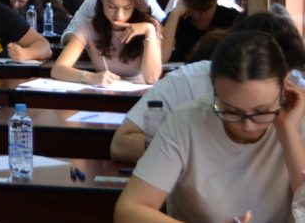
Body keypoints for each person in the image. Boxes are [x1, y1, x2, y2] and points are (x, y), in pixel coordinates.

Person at [114, 30, 305, 223]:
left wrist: (288, 133)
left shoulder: (297, 121)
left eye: (262, 111)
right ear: (214, 92)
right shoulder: (186, 122)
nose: (248, 126)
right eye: (231, 111)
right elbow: (128, 211)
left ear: (284, 88)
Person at [111, 7, 305, 163]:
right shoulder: (186, 82)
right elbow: (121, 144)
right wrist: (192, 151)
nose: (248, 125)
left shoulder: (296, 93)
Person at [51, 0, 161, 85]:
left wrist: (149, 30)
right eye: (112, 6)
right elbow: (57, 70)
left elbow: (151, 78)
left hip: (140, 94)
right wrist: (91, 77)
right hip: (104, 93)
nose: (119, 15)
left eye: (127, 8)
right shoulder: (88, 27)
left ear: (135, 5)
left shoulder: (149, 28)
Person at [161, 0, 241, 63]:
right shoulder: (177, 19)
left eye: (208, 9)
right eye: (197, 9)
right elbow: (161, 57)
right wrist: (175, 13)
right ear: (186, 2)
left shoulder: (232, 19)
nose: (203, 15)